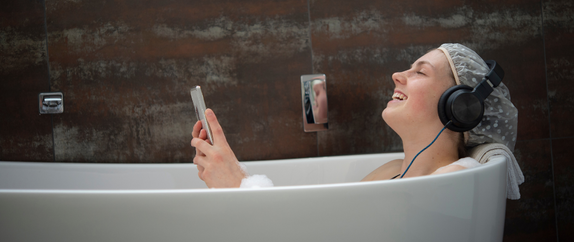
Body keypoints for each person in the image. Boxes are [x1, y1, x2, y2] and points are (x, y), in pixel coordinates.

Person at [191, 43, 518, 188]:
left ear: (460, 107)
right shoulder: (392, 172)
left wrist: (237, 187)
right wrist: (237, 178)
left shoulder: (456, 179)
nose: (397, 75)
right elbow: (321, 229)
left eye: (420, 72)